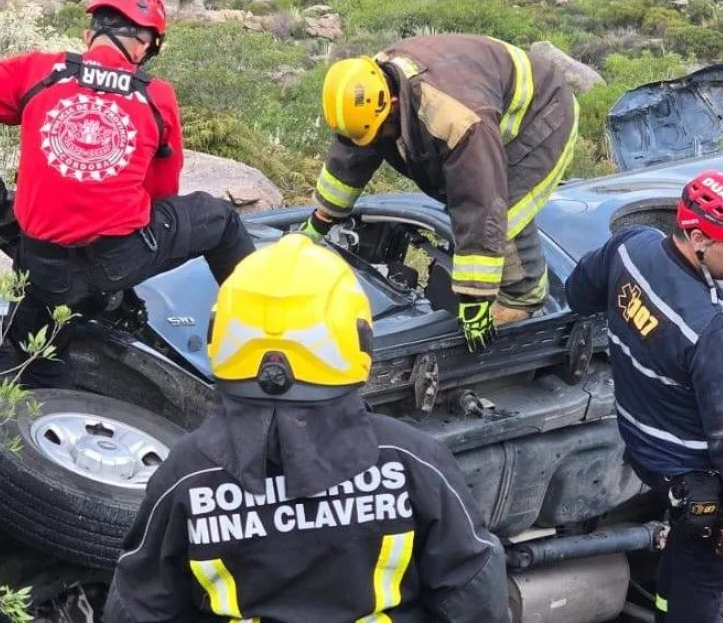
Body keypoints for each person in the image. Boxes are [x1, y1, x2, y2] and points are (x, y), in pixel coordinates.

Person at [103, 233, 511, 623]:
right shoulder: (412, 461)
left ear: (220, 336)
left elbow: (141, 607)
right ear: (358, 341)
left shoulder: (187, 474)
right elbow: (475, 595)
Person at [0, 0, 255, 387]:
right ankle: (258, 328)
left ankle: (50, 393)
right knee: (221, 219)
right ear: (144, 45)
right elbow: (162, 194)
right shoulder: (156, 96)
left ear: (90, 36)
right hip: (123, 258)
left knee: (38, 362)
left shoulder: (37, 72)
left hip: (45, 270)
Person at [563, 170, 723, 623]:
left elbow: (579, 292)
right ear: (696, 237)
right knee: (703, 576)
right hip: (696, 479)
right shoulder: (715, 332)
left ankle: (665, 603)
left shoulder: (631, 246)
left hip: (646, 451)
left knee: (683, 550)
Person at [298, 33, 580, 352]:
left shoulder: (456, 119)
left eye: (381, 131)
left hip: (542, 117)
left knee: (503, 216)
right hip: (481, 101)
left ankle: (524, 300)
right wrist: (320, 221)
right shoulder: (365, 91)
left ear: (392, 104)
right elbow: (351, 156)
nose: (377, 140)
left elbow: (480, 204)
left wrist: (474, 300)